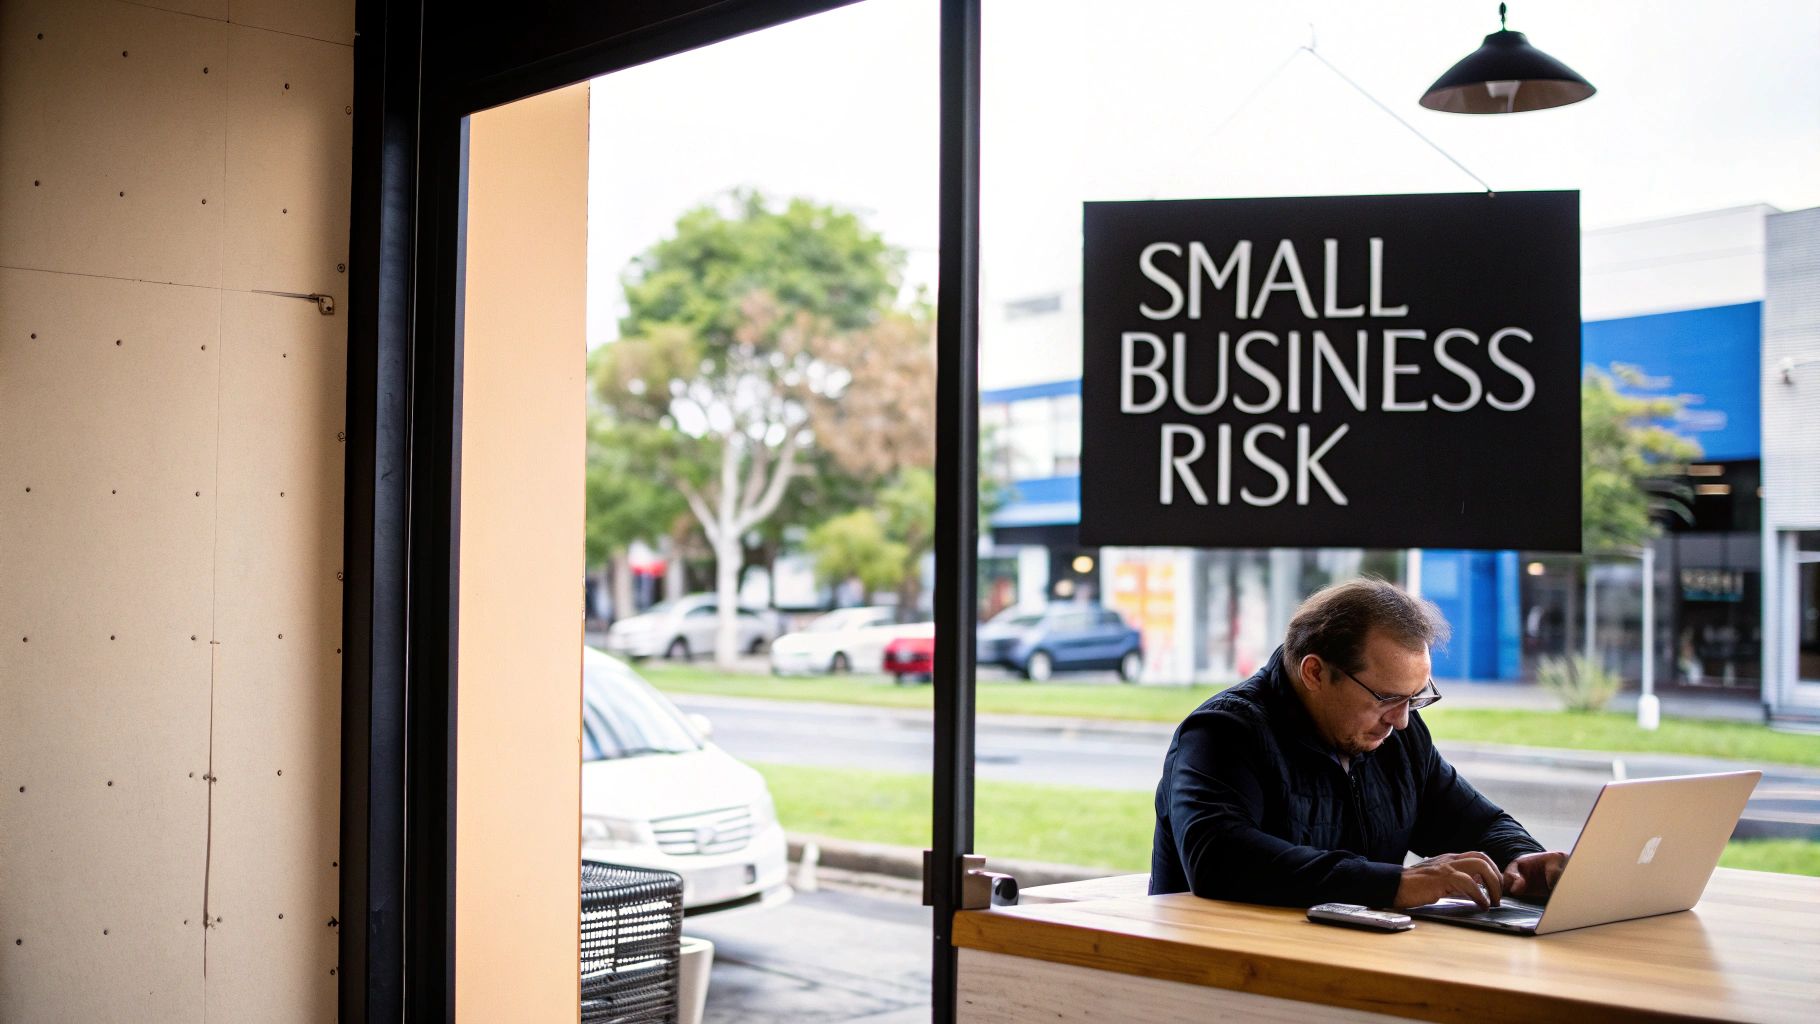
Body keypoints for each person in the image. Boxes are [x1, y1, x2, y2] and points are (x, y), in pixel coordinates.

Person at [1150, 578, 1568, 910]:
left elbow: (1475, 823)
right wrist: (1394, 884)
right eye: (1387, 698)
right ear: (1314, 673)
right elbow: (1220, 860)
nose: (1402, 719)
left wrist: (1521, 859)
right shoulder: (1224, 731)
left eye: (1416, 697)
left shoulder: (1400, 737)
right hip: (1220, 978)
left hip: (1348, 969)